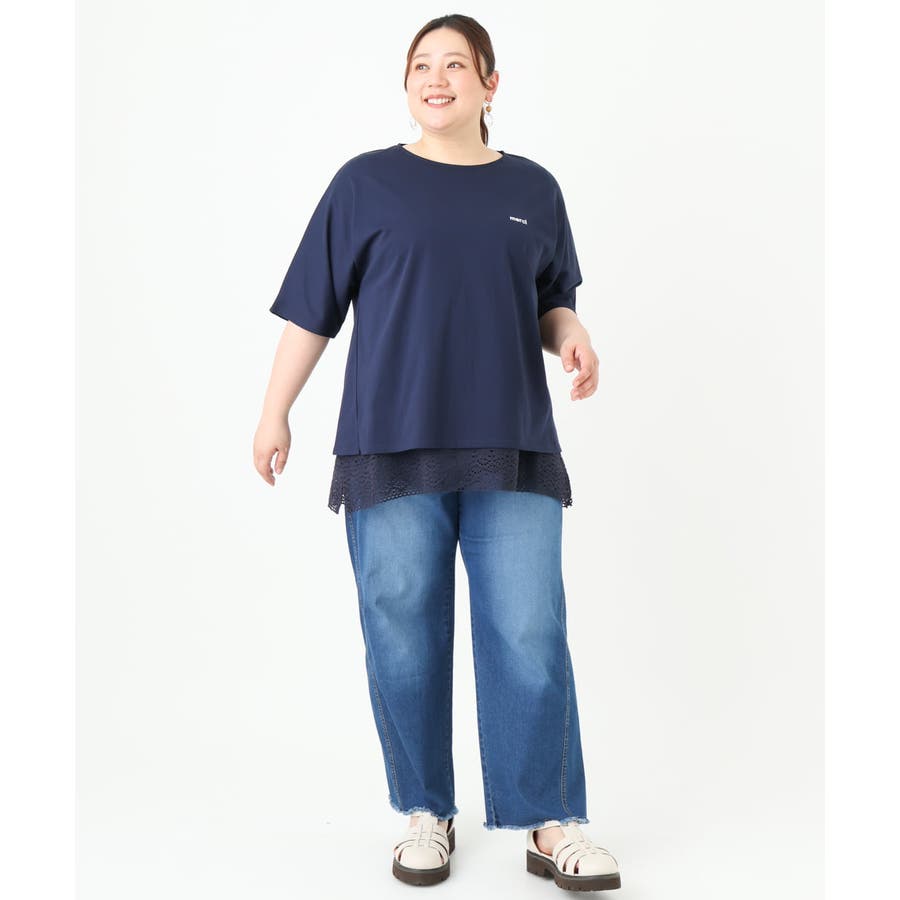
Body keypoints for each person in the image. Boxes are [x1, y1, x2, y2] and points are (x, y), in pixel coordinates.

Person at [253, 13, 622, 893]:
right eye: (423, 63)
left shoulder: (534, 187)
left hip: (512, 445)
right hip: (390, 445)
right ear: (407, 82)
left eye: (457, 64)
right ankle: (426, 809)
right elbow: (311, 311)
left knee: (529, 630)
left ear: (490, 84)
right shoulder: (364, 184)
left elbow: (550, 301)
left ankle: (550, 822)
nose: (437, 77)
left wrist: (571, 335)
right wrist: (274, 412)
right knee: (401, 631)